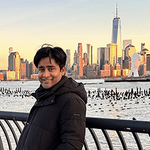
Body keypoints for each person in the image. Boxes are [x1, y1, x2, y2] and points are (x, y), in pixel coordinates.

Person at [16, 44, 87, 150]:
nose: (45, 75)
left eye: (51, 69)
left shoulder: (71, 101)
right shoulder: (45, 96)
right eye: (41, 69)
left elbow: (72, 145)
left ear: (62, 70)